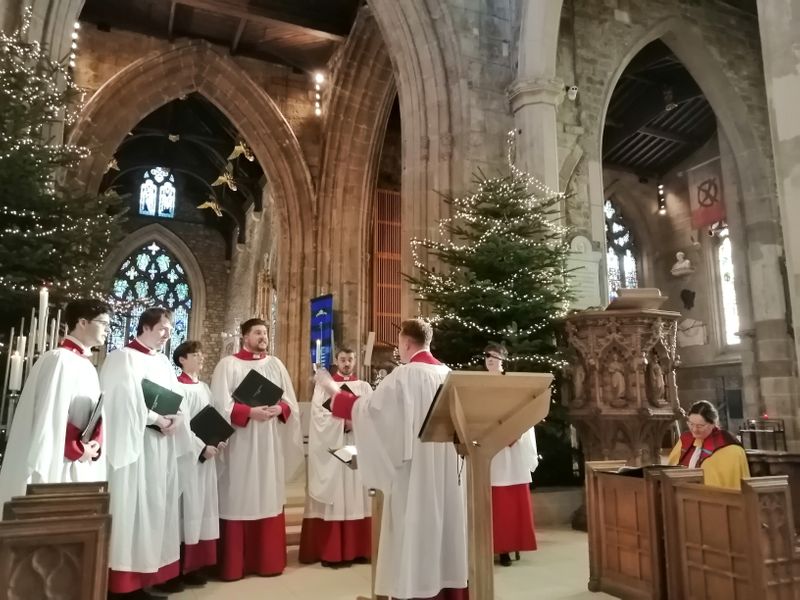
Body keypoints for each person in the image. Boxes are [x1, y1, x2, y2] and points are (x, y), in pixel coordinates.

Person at [317, 318, 468, 600]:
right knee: (444, 525)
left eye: (400, 343)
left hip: (415, 472)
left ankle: (415, 589)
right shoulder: (449, 374)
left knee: (414, 525)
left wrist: (331, 390)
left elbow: (371, 413)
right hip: (447, 469)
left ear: (407, 343)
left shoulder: (404, 376)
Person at [101, 307, 193, 600]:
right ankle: (124, 582)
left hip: (161, 447)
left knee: (155, 509)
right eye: (163, 328)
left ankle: (148, 577)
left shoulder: (164, 363)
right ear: (145, 327)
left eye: (170, 329)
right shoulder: (122, 357)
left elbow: (176, 397)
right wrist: (156, 420)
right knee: (132, 508)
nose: (167, 334)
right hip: (135, 447)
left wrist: (177, 418)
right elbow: (120, 403)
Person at [210, 318, 303, 581]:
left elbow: (290, 403)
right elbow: (220, 404)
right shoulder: (228, 365)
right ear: (244, 336)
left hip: (269, 443)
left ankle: (268, 562)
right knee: (239, 493)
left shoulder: (275, 364)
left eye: (265, 332)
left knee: (267, 492)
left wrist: (279, 409)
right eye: (257, 333)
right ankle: (234, 565)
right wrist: (249, 411)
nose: (263, 336)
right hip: (241, 443)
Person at [0, 299, 110, 505]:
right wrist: (77, 448)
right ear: (83, 322)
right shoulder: (59, 360)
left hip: (78, 459)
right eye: (103, 323)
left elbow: (93, 414)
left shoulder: (86, 365)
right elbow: (48, 417)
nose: (107, 330)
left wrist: (95, 442)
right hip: (59, 461)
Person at [157, 341, 226, 592]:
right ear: (182, 359)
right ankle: (175, 569)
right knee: (182, 510)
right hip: (186, 458)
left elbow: (213, 417)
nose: (201, 358)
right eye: (195, 355)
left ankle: (195, 566)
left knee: (201, 508)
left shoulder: (205, 387)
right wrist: (200, 448)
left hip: (206, 458)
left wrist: (219, 440)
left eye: (201, 353)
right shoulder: (175, 387)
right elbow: (181, 425)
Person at [299, 347, 372, 568]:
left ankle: (359, 549)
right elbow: (318, 415)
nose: (347, 363)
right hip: (335, 448)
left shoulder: (365, 387)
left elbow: (372, 412)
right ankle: (334, 551)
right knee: (338, 493)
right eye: (343, 359)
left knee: (356, 493)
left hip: (358, 447)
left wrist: (357, 422)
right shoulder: (324, 387)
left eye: (350, 359)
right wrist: (343, 423)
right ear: (336, 361)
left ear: (355, 360)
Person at [484, 342, 538, 567]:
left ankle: (510, 545)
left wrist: (513, 433)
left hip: (510, 447)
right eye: (487, 357)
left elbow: (524, 411)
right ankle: (491, 545)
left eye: (495, 357)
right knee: (492, 496)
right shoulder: (477, 385)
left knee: (511, 497)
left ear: (503, 360)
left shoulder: (513, 384)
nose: (490, 360)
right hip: (490, 448)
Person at [668, 400, 750, 489]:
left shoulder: (729, 448)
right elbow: (670, 470)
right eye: (691, 424)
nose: (694, 429)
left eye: (700, 426)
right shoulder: (685, 440)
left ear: (712, 424)